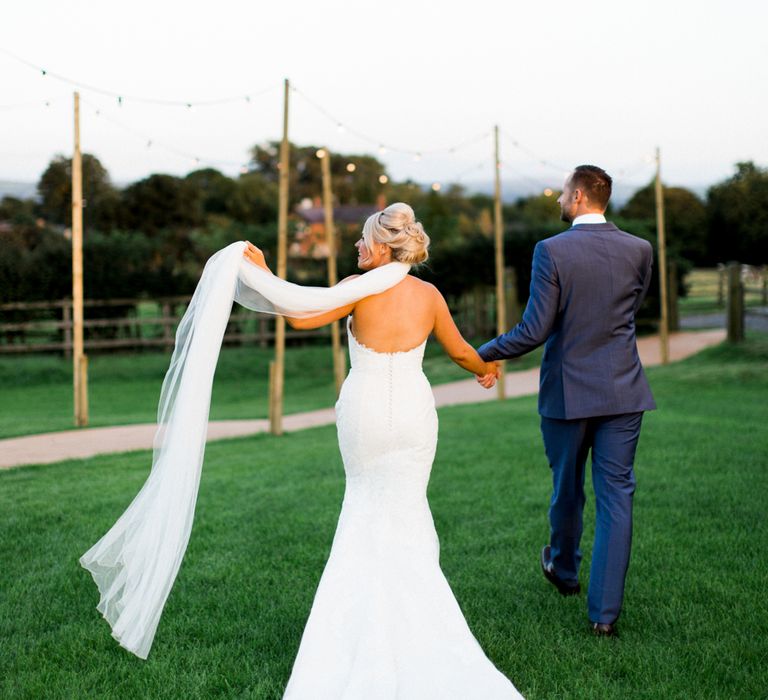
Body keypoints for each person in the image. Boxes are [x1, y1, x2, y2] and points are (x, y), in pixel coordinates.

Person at [242, 203, 522, 698]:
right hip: (414, 414)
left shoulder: (357, 290)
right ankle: (419, 628)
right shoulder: (428, 294)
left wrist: (263, 275)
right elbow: (459, 351)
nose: (355, 246)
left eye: (362, 240)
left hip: (365, 412)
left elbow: (303, 320)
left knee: (364, 510)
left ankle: (355, 633)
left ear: (382, 246)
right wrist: (485, 367)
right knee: (408, 513)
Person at [477, 166, 656, 637]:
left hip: (567, 391)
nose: (558, 199)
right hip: (623, 389)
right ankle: (604, 618)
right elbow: (630, 310)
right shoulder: (641, 249)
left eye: (561, 193)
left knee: (568, 488)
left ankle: (563, 569)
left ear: (577, 196)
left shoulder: (550, 251)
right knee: (618, 497)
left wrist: (483, 354)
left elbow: (534, 330)